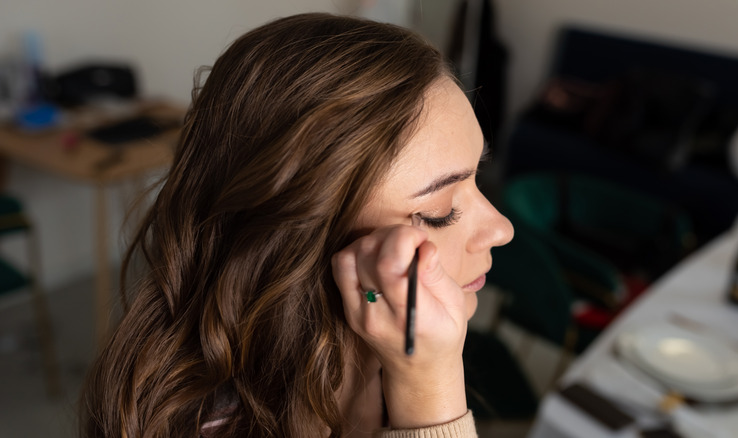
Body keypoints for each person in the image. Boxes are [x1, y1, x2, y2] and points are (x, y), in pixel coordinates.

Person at [80, 12, 513, 438]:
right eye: (440, 211)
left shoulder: (385, 360)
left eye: (479, 173)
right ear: (299, 242)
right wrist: (431, 394)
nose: (502, 228)